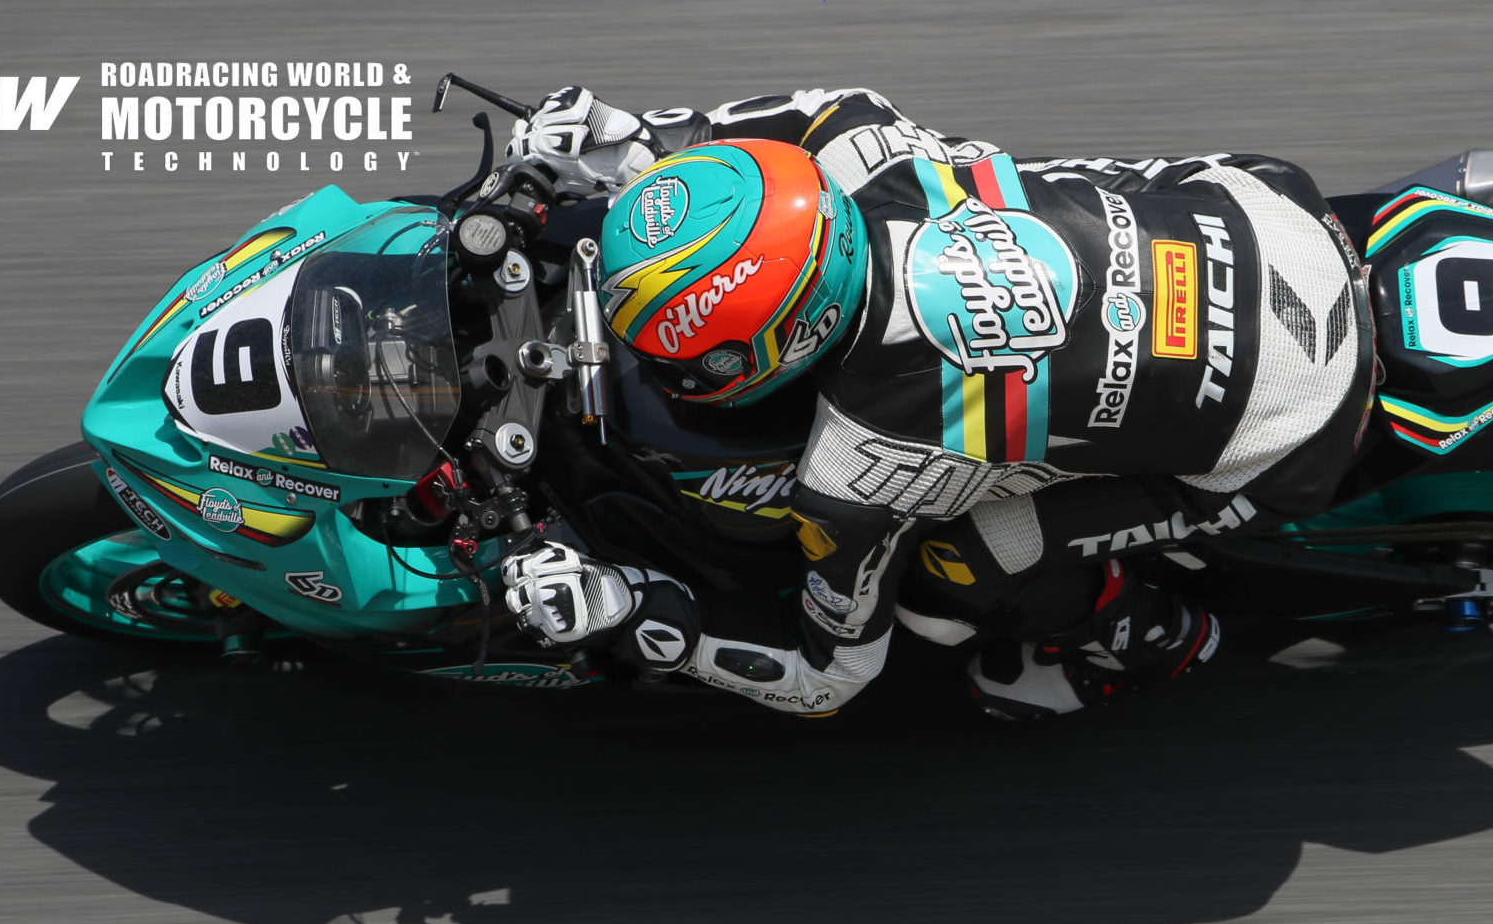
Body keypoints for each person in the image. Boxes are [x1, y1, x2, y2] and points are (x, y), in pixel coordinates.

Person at [498, 86, 1374, 720]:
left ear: (784, 343)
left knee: (942, 582)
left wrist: (637, 613)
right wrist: (643, 141)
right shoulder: (865, 144)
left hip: (1288, 432)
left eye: (686, 357)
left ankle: (1146, 636)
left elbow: (830, 677)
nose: (663, 369)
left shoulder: (858, 461)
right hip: (1278, 212)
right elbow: (793, 123)